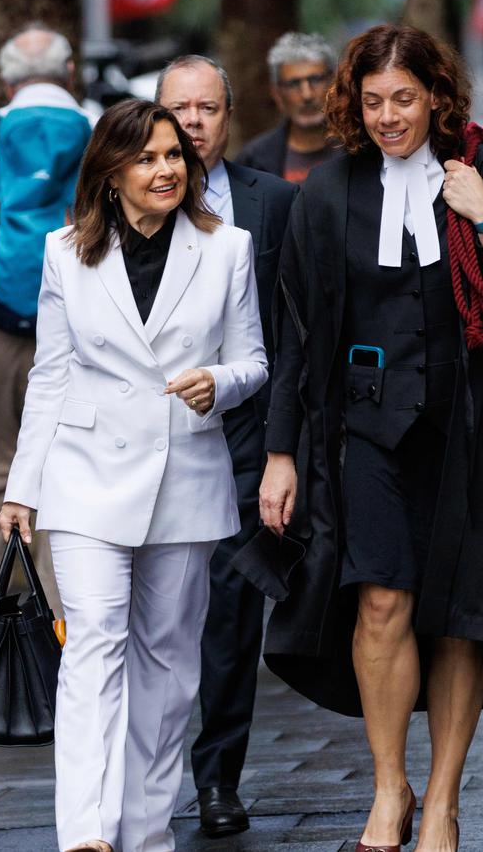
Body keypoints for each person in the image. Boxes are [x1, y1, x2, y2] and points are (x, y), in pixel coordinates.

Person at [253, 24, 483, 852]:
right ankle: (389, 787)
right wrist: (281, 451)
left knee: (462, 613)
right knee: (382, 601)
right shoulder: (327, 194)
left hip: (473, 424)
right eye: (373, 101)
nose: (390, 115)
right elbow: (295, 333)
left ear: (436, 94)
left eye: (404, 97)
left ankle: (442, 803)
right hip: (365, 428)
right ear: (353, 105)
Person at [0, 98, 267, 852]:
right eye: (146, 157)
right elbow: (48, 376)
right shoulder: (64, 252)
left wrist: (221, 379)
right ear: (111, 172)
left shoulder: (228, 248)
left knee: (170, 665)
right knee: (92, 645)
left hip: (185, 475)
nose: (164, 169)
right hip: (84, 480)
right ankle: (85, 832)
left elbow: (255, 360)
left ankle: (144, 830)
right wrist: (23, 486)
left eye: (174, 155)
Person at [156, 54, 297, 837]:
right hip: (152, 443)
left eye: (209, 108)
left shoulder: (270, 203)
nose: (196, 122)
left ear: (229, 113)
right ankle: (141, 773)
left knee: (231, 622)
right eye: (181, 108)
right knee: (156, 621)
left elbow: (290, 331)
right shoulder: (129, 202)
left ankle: (217, 779)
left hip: (245, 442)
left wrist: (285, 448)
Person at [0, 24, 89, 671]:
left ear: (4, 79)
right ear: (71, 69)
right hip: (76, 323)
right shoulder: (97, 125)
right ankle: (61, 620)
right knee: (65, 471)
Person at [235, 32, 340, 183]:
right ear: (277, 94)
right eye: (293, 84)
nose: (307, 95)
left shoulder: (360, 148)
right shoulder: (253, 161)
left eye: (315, 79)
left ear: (334, 84)